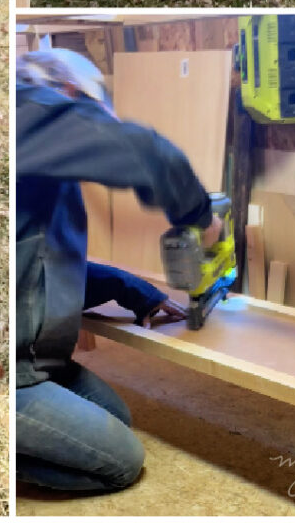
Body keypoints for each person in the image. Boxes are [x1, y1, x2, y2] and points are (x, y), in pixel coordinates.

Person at [16, 48, 222, 493]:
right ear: (68, 95)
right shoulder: (21, 110)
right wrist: (202, 219)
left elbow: (44, 270)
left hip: (39, 363)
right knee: (121, 462)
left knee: (116, 420)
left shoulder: (43, 173)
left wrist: (139, 294)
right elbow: (145, 151)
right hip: (4, 373)